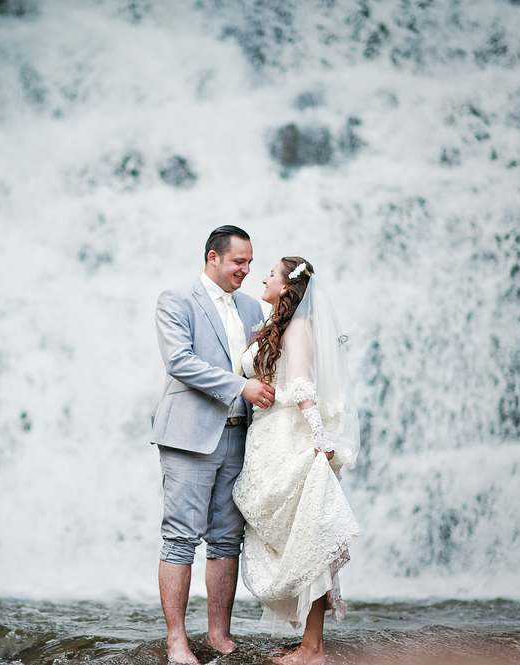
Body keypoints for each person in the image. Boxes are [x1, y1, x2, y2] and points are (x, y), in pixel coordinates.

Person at [151, 225, 276, 665]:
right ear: (213, 258)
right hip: (189, 437)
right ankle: (176, 642)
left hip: (241, 436)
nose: (246, 270)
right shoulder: (176, 300)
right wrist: (241, 386)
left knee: (227, 540)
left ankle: (219, 636)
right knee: (180, 538)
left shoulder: (251, 307)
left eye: (250, 263)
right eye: (239, 262)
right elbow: (180, 362)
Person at [232, 256, 362, 665]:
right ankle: (308, 641)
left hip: (294, 444)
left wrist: (321, 441)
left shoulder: (300, 326)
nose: (263, 277)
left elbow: (303, 383)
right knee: (295, 543)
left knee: (311, 545)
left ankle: (314, 649)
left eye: (270, 272)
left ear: (288, 287)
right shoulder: (276, 327)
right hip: (267, 441)